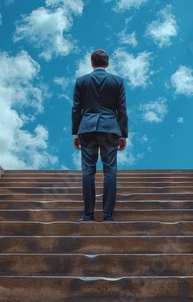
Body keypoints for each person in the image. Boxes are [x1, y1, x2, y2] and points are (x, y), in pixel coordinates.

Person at [71, 49, 128, 222]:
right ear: (107, 63)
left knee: (88, 171)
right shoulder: (117, 81)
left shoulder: (81, 81)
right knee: (110, 171)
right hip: (110, 129)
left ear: (92, 63)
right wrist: (123, 134)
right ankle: (108, 214)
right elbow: (122, 109)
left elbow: (76, 109)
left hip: (87, 129)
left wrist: (75, 133)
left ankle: (88, 214)